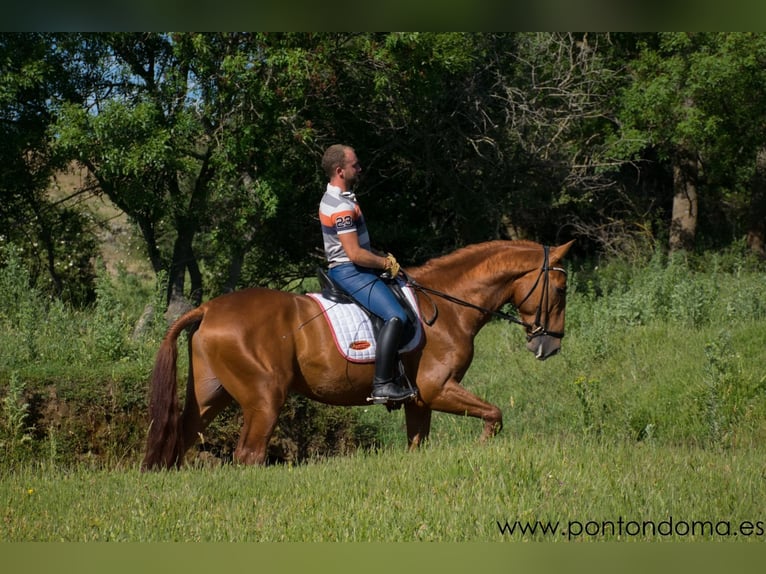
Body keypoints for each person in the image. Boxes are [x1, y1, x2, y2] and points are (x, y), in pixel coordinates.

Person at [318, 144, 415, 403]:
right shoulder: (340, 207)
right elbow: (355, 254)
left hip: (354, 267)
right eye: (355, 165)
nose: (360, 169)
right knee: (396, 316)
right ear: (340, 170)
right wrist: (385, 263)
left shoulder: (342, 197)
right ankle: (383, 383)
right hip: (350, 271)